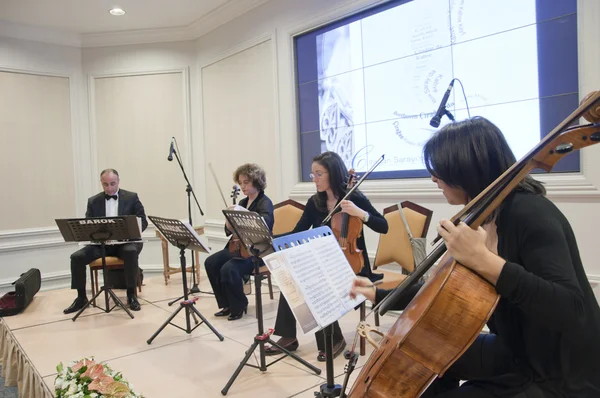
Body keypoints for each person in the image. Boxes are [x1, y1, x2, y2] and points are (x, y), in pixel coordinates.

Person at [351, 117, 600, 397]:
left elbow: (572, 309)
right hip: (518, 349)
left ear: (466, 170)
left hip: (560, 372)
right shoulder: (483, 216)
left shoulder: (530, 213)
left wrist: (484, 260)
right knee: (425, 349)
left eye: (440, 170)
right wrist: (380, 293)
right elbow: (443, 292)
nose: (433, 178)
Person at [265, 151, 388, 361]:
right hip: (324, 263)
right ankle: (287, 336)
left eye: (319, 174)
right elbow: (299, 230)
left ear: (333, 173)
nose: (314, 179)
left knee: (315, 285)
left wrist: (360, 213)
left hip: (353, 266)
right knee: (291, 280)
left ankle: (334, 339)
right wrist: (270, 238)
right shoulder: (316, 202)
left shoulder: (354, 197)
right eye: (313, 174)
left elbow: (383, 226)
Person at [64, 169, 148, 314]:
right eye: (105, 184)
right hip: (101, 244)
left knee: (130, 252)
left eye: (112, 184)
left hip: (125, 243)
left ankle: (131, 295)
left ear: (118, 181)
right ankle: (81, 298)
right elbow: (88, 225)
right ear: (101, 184)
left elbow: (143, 222)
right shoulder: (93, 201)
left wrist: (132, 230)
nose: (109, 188)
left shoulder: (131, 197)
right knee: (76, 257)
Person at [204, 163, 274, 321]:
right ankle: (226, 304)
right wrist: (229, 219)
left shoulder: (265, 202)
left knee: (229, 269)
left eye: (246, 182)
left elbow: (266, 226)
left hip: (257, 250)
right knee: (211, 262)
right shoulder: (242, 203)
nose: (242, 186)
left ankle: (239, 305)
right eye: (240, 183)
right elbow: (228, 231)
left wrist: (245, 219)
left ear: (257, 182)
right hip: (238, 247)